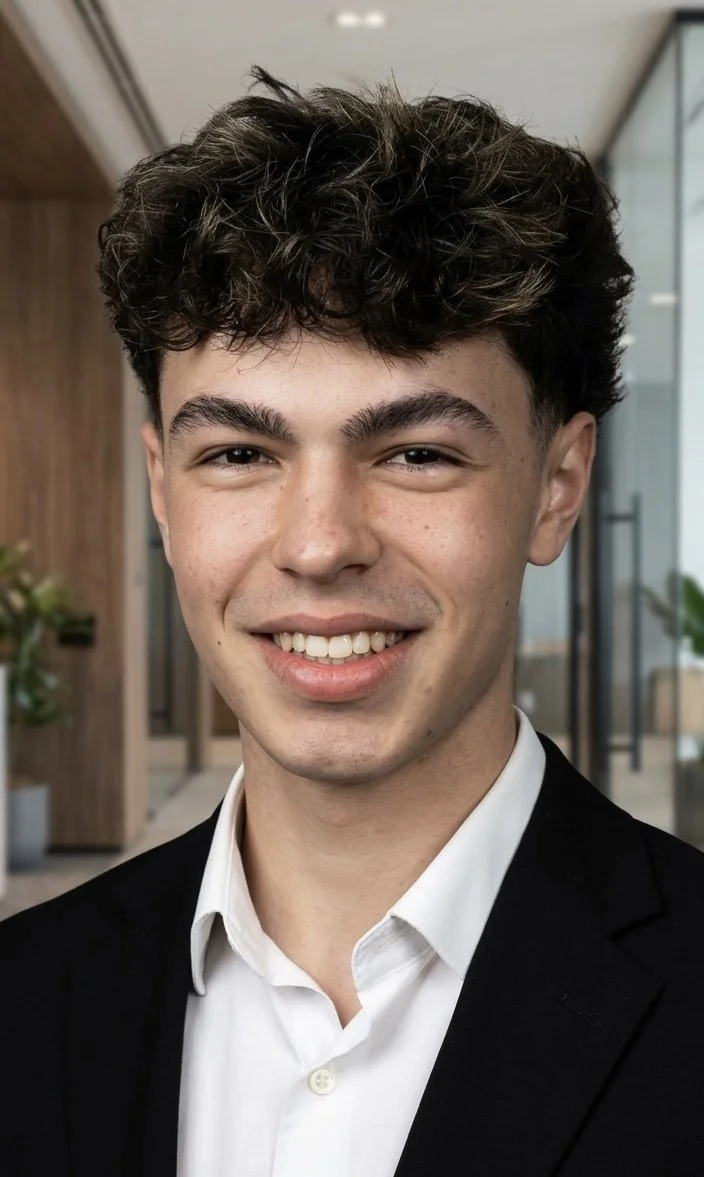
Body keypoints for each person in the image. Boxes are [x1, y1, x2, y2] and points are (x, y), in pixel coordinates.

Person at [2, 66, 703, 1177]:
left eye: (416, 453)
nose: (319, 542)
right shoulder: (25, 994)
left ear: (556, 486)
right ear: (161, 488)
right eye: (238, 453)